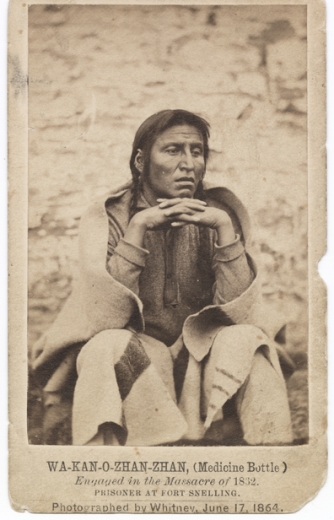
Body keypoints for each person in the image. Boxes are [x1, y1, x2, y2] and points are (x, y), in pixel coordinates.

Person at [32, 109, 293, 446]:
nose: (188, 163)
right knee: (105, 346)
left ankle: (273, 462)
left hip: (200, 355)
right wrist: (138, 229)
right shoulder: (110, 217)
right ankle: (105, 473)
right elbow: (105, 318)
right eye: (173, 150)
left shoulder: (219, 213)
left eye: (196, 151)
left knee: (247, 340)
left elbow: (240, 314)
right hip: (140, 355)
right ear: (141, 161)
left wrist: (225, 230)